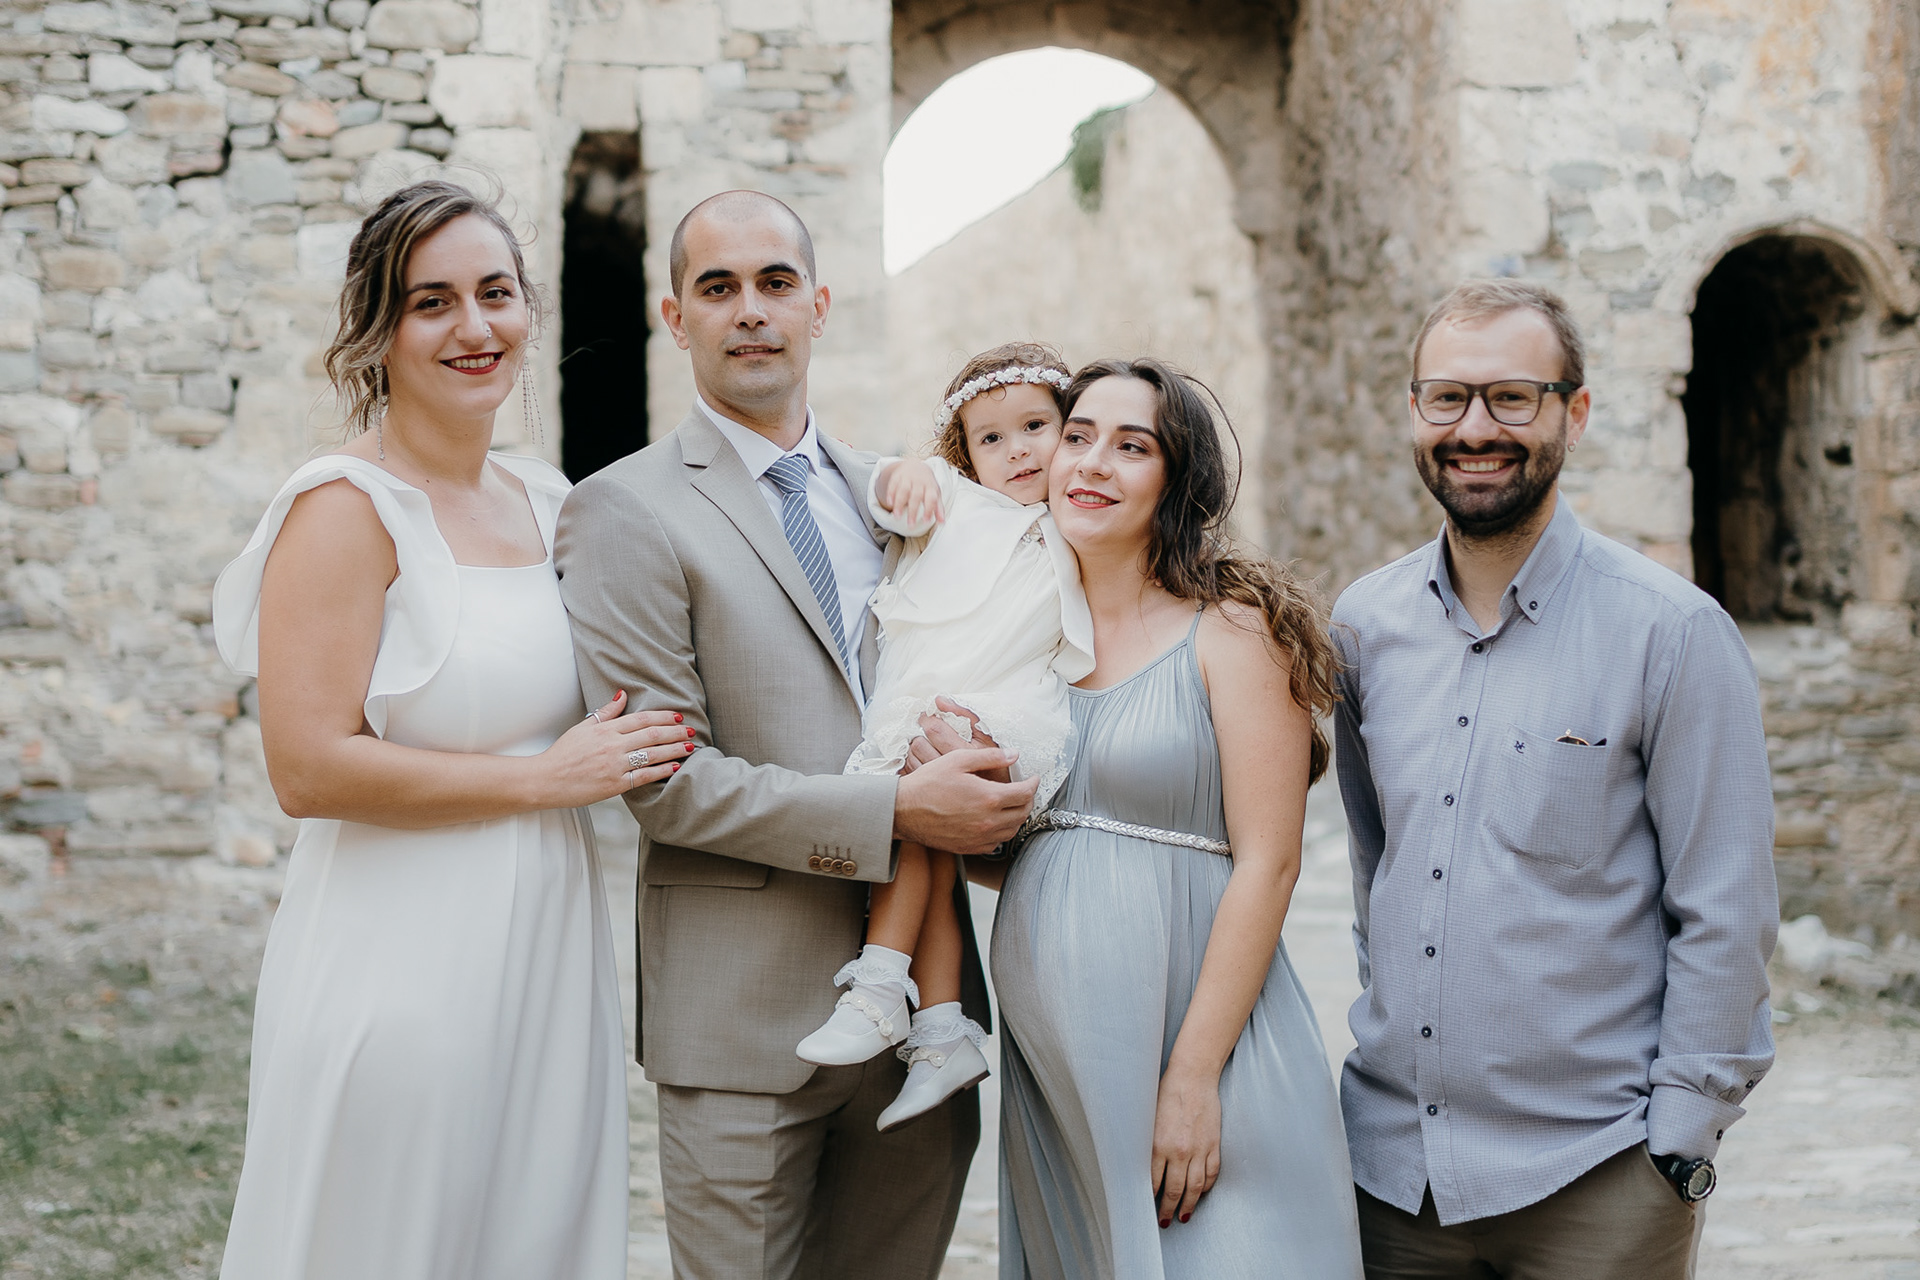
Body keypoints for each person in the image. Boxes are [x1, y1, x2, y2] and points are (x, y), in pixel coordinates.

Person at [553, 190, 1037, 1280]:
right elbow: (665, 783)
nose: (750, 310)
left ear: (818, 305)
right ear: (675, 318)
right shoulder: (622, 508)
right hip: (741, 1021)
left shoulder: (902, 498)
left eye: (776, 283)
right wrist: (898, 811)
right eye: (717, 287)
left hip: (922, 1022)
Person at [211, 180, 690, 1280]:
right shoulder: (344, 506)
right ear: (378, 330)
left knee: (533, 1236)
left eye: (495, 293)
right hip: (399, 951)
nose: (475, 327)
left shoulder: (547, 500)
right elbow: (305, 767)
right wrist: (542, 781)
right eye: (432, 302)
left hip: (551, 946)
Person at [1331, 279, 1778, 1278]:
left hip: (1602, 1175)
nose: (1474, 428)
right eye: (1447, 397)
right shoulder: (1362, 626)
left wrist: (1680, 1138)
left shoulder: (1673, 632)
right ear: (1414, 410)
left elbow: (1727, 904)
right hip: (1395, 1180)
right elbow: (1374, 866)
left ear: (1573, 412)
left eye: (1511, 398)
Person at [985, 357, 1365, 1278]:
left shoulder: (1232, 631)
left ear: (1177, 478)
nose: (1091, 464)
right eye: (1078, 437)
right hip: (1063, 1073)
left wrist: (1192, 1079)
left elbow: (1270, 863)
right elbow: (1024, 850)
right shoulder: (1021, 641)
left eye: (1132, 447)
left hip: (1203, 1054)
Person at [798, 341, 1094, 1133]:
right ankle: (940, 1030)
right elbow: (897, 498)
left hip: (1003, 711)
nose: (1017, 449)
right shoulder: (955, 496)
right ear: (965, 452)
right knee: (921, 837)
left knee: (928, 807)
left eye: (1035, 426)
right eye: (991, 438)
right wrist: (905, 477)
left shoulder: (1075, 519)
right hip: (920, 705)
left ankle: (880, 985)